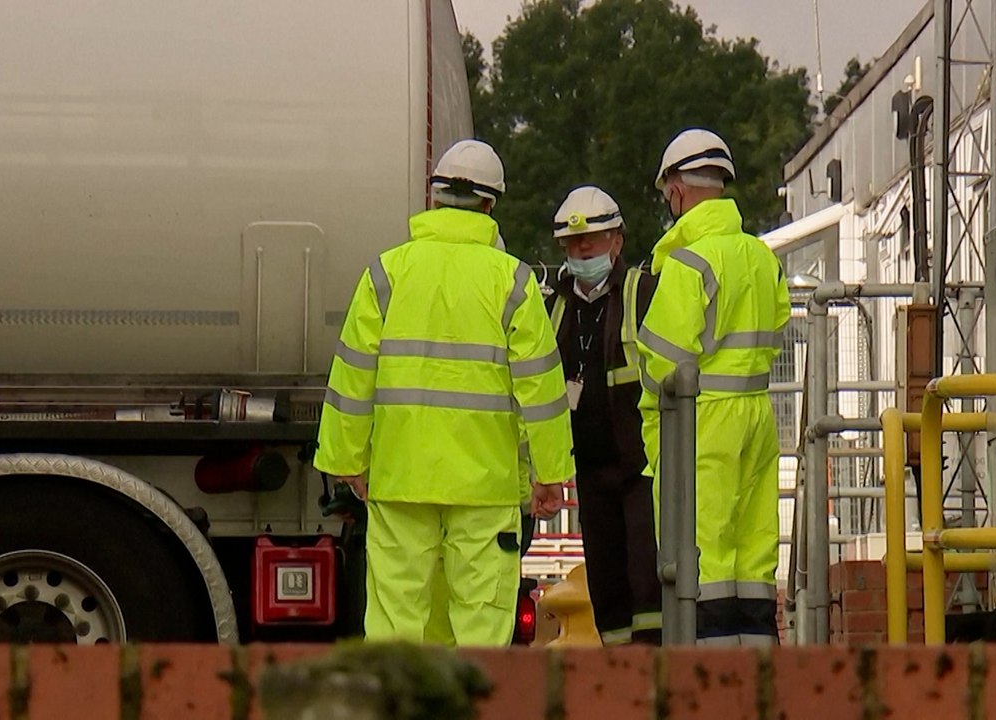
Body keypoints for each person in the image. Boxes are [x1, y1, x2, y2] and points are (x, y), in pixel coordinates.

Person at [314, 138, 573, 646]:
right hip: (485, 484)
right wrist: (550, 473)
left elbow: (352, 376)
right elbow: (541, 389)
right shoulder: (514, 282)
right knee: (480, 622)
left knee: (396, 621)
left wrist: (346, 458)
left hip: (399, 477)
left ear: (431, 199)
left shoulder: (386, 274)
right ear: (490, 205)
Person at [637, 129, 791, 646]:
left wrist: (658, 445)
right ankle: (756, 681)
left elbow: (661, 368)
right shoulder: (760, 257)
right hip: (757, 418)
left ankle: (710, 686)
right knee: (753, 555)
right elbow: (775, 332)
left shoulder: (687, 264)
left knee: (702, 558)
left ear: (677, 189)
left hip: (702, 423)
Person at [546, 185, 661, 646]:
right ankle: (618, 683)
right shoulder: (554, 305)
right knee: (607, 588)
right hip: (589, 469)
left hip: (642, 469)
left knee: (647, 584)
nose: (583, 250)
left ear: (617, 241)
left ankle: (651, 676)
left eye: (592, 241)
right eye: (574, 244)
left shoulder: (643, 293)